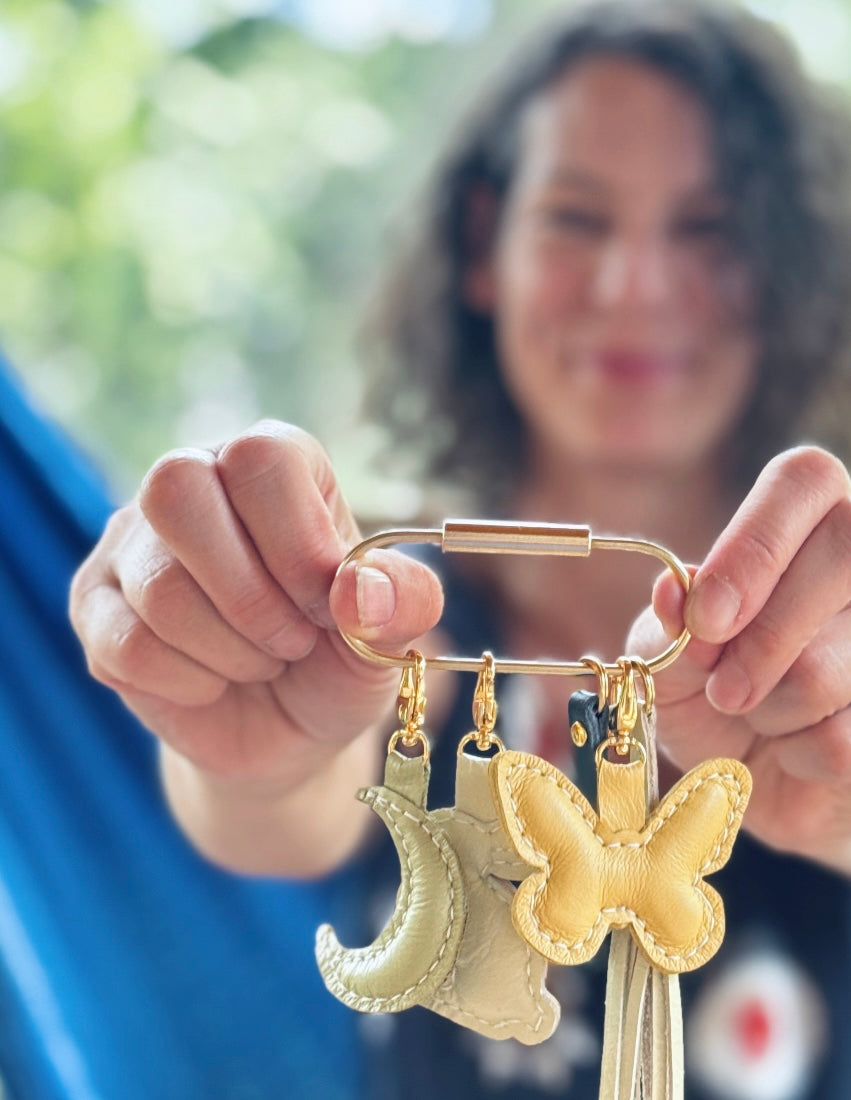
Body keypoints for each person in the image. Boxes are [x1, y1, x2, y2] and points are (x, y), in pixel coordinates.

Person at [70, 2, 851, 1098]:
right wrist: (238, 731)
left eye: (707, 229)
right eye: (576, 219)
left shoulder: (837, 633)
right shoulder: (389, 609)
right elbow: (276, 790)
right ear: (484, 245)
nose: (630, 284)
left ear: (785, 275)